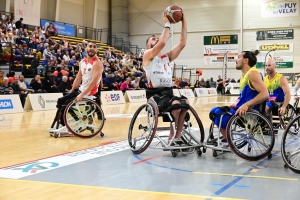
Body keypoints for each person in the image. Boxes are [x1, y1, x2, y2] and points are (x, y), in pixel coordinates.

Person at [142, 9, 187, 144]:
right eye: (153, 39)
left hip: (168, 93)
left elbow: (182, 43)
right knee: (177, 105)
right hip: (155, 96)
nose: (157, 39)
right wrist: (167, 23)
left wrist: (183, 20)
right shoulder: (147, 55)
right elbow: (162, 43)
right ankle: (173, 138)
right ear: (148, 45)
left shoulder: (166, 57)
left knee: (185, 103)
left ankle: (176, 136)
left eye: (157, 37)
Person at [209, 50, 269, 142]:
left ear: (245, 60)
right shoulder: (244, 76)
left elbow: (265, 94)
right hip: (241, 110)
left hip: (249, 114)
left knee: (218, 113)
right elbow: (243, 97)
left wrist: (246, 105)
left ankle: (229, 141)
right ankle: (228, 139)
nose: (236, 60)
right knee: (214, 111)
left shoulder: (252, 73)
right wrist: (233, 104)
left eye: (239, 57)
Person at [50, 41, 103, 130]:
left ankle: (67, 124)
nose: (92, 48)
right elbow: (78, 78)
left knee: (66, 104)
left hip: (90, 93)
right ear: (86, 49)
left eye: (94, 47)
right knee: (60, 101)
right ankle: (66, 122)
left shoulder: (97, 63)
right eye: (90, 46)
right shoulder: (82, 62)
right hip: (81, 90)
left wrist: (82, 94)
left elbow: (94, 82)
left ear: (96, 50)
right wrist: (72, 90)